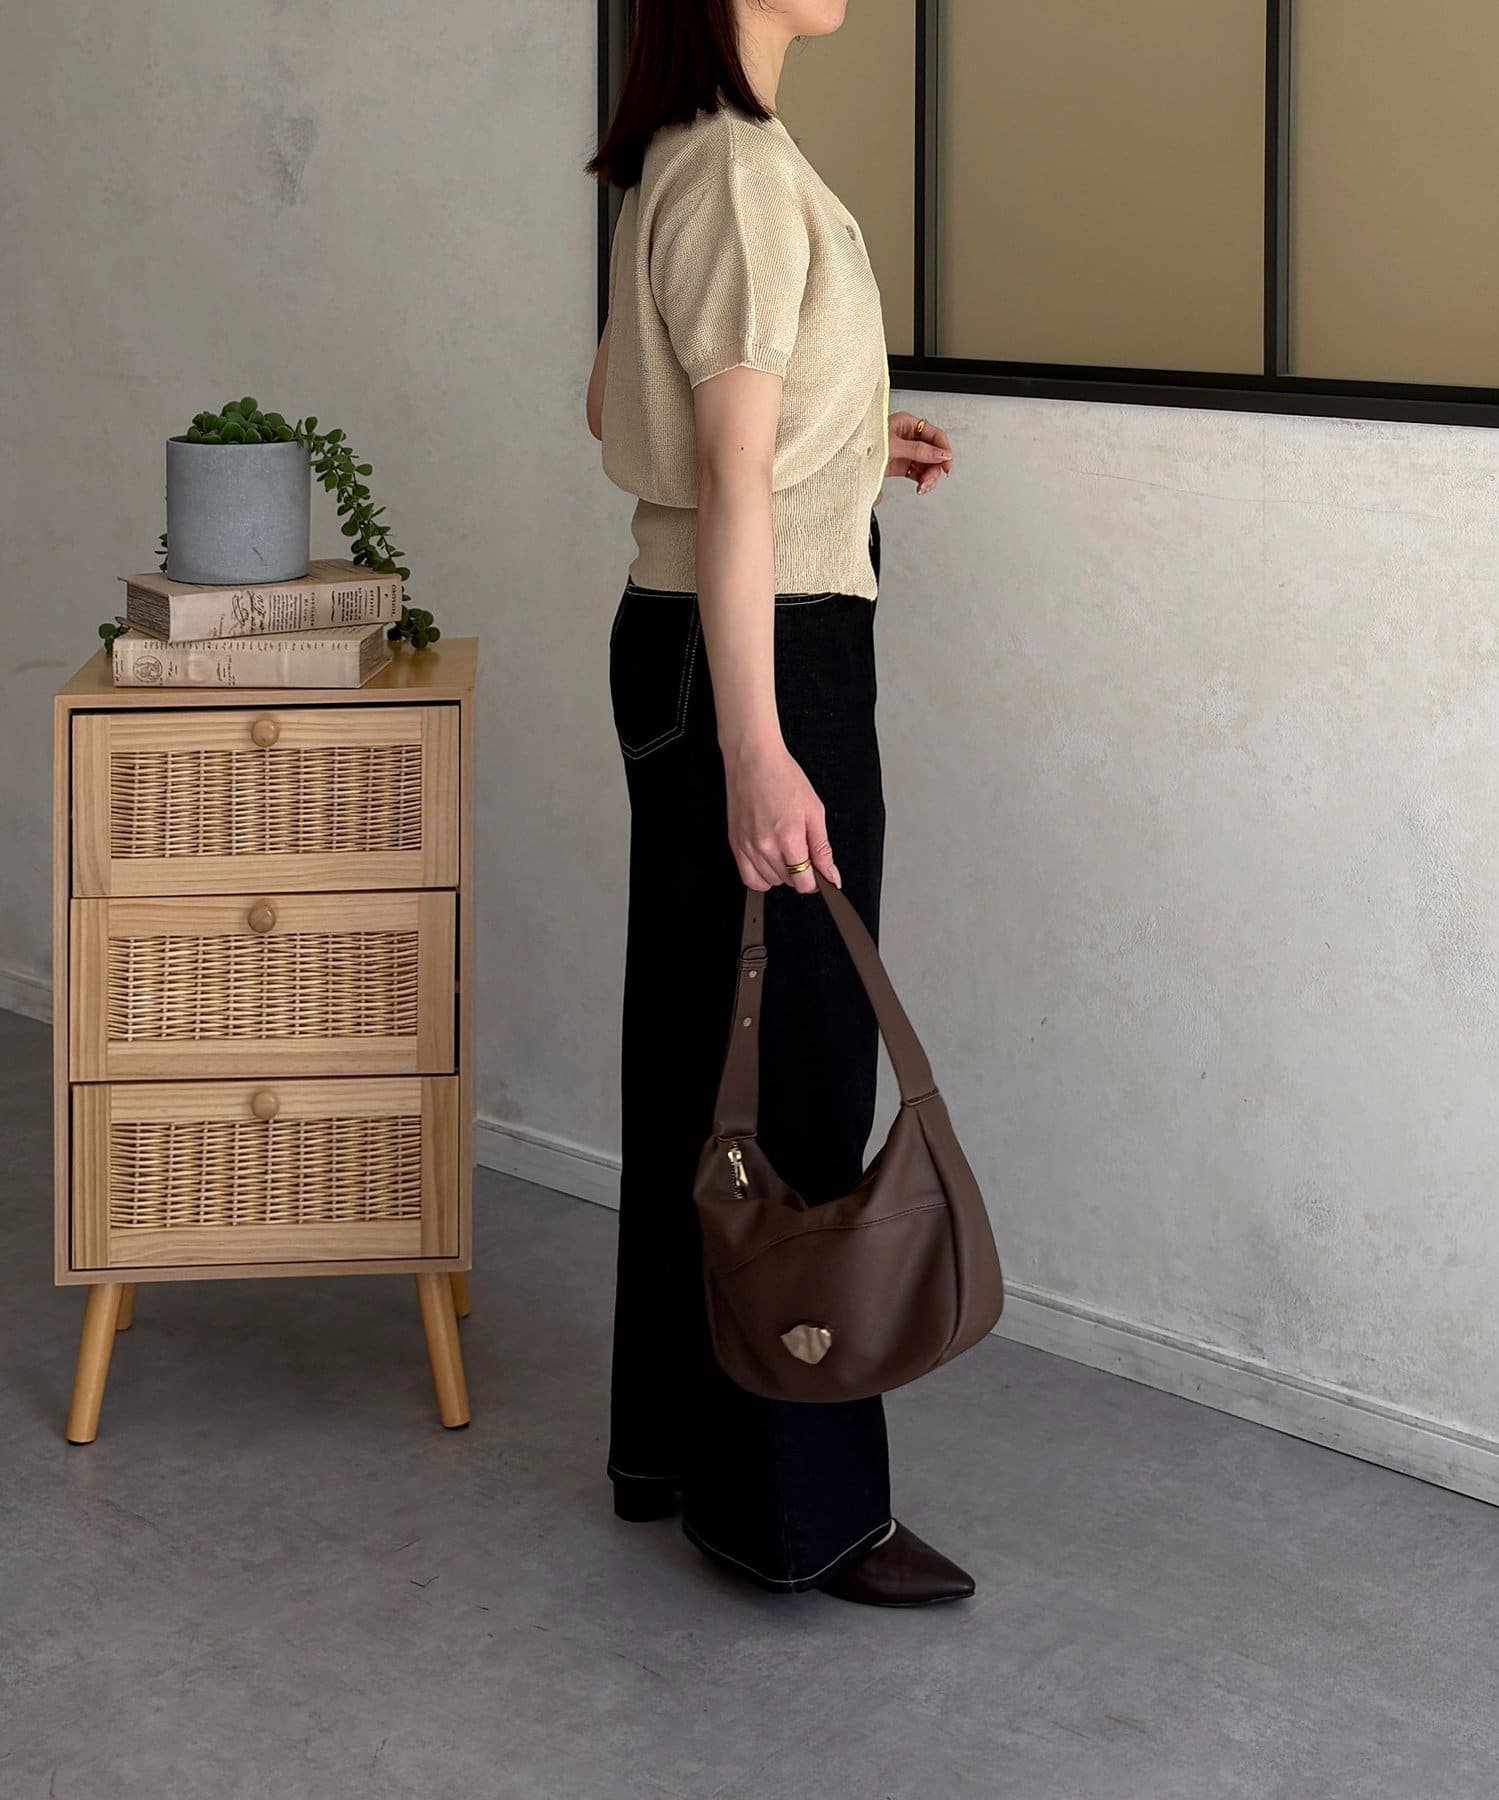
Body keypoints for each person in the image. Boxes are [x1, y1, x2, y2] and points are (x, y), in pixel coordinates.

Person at [584, 0, 968, 1606]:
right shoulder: (742, 172)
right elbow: (729, 471)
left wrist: (846, 448)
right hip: (769, 661)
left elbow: (621, 410)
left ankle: (673, 1454)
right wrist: (760, 743)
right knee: (796, 1072)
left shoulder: (677, 159)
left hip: (689, 637)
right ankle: (800, 1518)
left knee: (700, 1056)